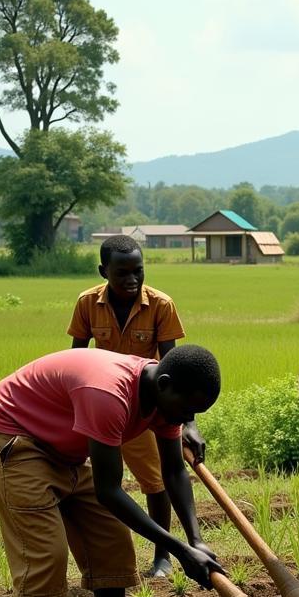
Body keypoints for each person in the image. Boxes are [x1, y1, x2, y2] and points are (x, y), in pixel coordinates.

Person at [0, 345, 224, 597]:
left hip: (66, 444)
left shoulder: (163, 401)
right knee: (46, 552)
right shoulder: (109, 394)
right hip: (19, 434)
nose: (185, 422)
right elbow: (109, 491)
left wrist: (196, 539)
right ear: (165, 384)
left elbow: (173, 472)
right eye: (185, 410)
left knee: (112, 542)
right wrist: (181, 551)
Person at [68, 234, 205, 577]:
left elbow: (173, 367)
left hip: (147, 404)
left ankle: (163, 555)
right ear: (104, 271)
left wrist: (187, 424)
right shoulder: (87, 303)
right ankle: (93, 560)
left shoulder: (160, 305)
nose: (131, 279)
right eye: (122, 273)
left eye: (138, 271)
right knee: (89, 480)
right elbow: (76, 357)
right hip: (101, 403)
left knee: (156, 479)